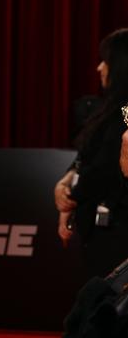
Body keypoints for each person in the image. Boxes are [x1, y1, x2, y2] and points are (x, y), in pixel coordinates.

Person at [55, 28, 128, 278]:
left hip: (118, 233)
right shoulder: (108, 109)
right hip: (97, 232)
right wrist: (66, 181)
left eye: (105, 61)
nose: (99, 68)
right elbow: (85, 157)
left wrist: (71, 197)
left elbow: (105, 168)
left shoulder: (126, 113)